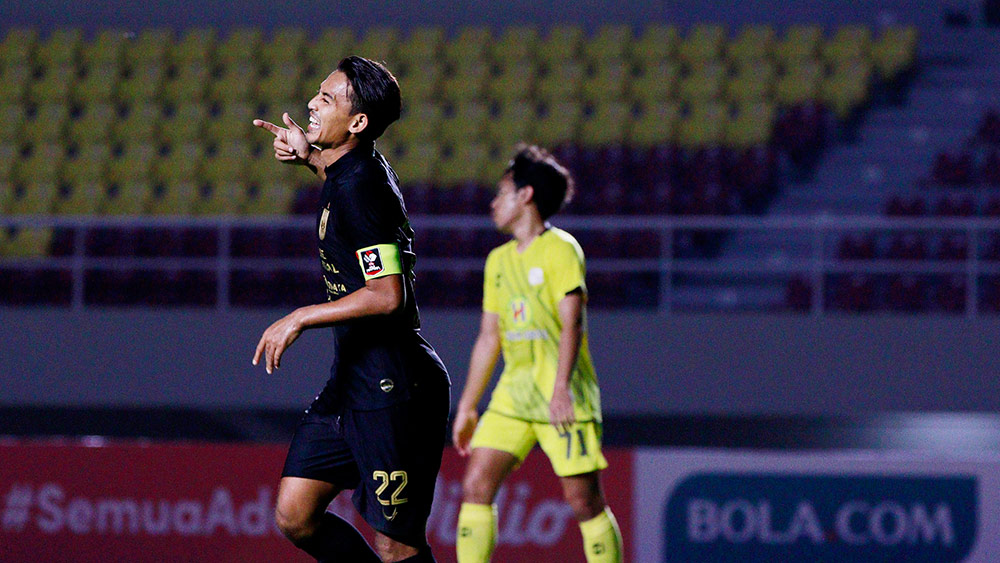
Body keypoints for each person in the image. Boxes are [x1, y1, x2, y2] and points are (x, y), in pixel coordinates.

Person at [252, 55, 450, 563]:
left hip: (394, 389)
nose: (313, 104)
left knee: (395, 546)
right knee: (296, 514)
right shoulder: (350, 168)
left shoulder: (363, 188)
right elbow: (340, 179)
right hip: (353, 381)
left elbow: (387, 295)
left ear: (357, 123)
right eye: (318, 92)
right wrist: (307, 157)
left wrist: (300, 315)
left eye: (328, 99)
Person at [452, 145, 623, 562]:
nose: (494, 202)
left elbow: (572, 323)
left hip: (561, 398)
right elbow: (489, 338)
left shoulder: (562, 250)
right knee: (476, 485)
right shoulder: (497, 261)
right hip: (514, 396)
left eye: (502, 192)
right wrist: (468, 406)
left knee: (583, 500)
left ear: (525, 196)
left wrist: (561, 389)